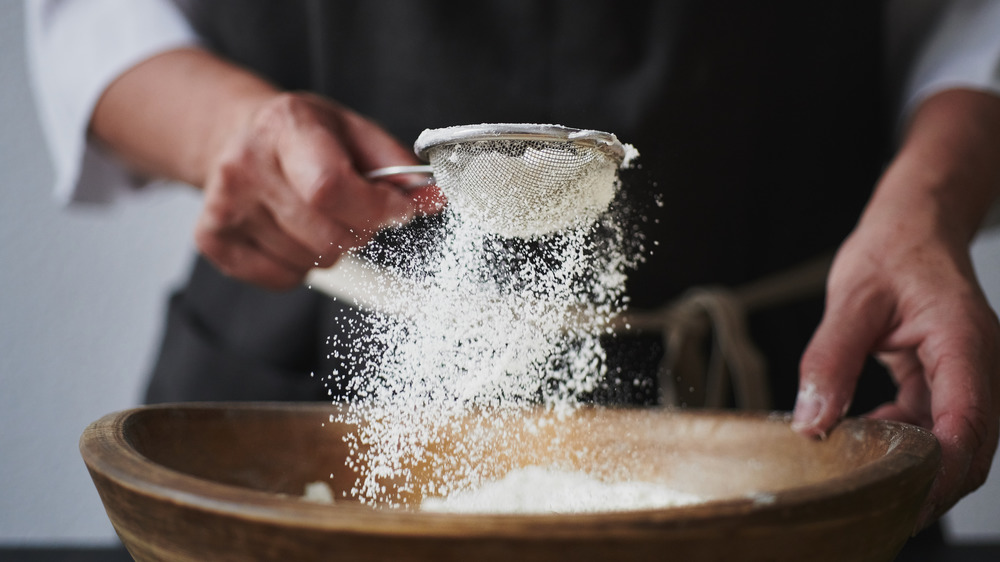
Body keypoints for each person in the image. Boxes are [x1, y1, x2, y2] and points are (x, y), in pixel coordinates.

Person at [27, 0, 1000, 533]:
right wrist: (230, 131)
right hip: (303, 394)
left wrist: (929, 203)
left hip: (777, 412)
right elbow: (94, 20)